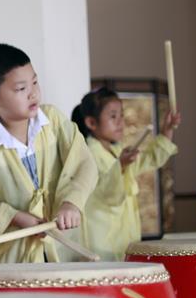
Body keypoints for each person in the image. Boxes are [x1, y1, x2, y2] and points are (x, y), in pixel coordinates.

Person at [0, 44, 98, 263]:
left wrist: (71, 202)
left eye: (35, 82)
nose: (33, 93)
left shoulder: (53, 120)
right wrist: (15, 217)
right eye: (21, 89)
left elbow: (84, 162)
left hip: (64, 243)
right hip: (18, 254)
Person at [72, 87, 180, 260]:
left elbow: (149, 160)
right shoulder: (88, 155)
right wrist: (120, 165)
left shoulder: (117, 151)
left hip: (123, 239)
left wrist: (167, 130)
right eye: (113, 116)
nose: (120, 122)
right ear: (91, 123)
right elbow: (107, 193)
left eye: (121, 115)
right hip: (101, 242)